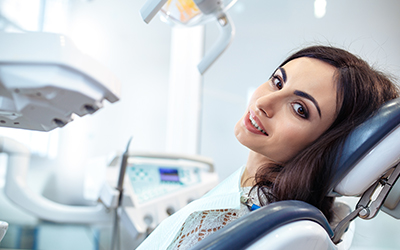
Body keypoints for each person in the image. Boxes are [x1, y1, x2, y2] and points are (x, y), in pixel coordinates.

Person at [136, 45, 399, 250]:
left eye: (299, 109)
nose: (264, 102)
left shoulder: (233, 222)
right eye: (278, 81)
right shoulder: (255, 196)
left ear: (329, 145)